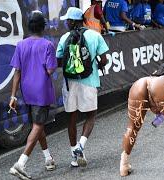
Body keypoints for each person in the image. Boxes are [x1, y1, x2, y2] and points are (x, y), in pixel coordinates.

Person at [56, 7, 109, 168]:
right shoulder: (95, 35)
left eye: (67, 20)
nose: (66, 22)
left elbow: (59, 62)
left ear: (73, 21)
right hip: (89, 81)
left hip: (69, 83)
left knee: (71, 118)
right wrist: (98, 64)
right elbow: (105, 59)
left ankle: (74, 155)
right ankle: (81, 145)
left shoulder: (64, 37)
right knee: (91, 116)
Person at [8, 10, 57, 179]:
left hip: (26, 91)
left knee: (38, 124)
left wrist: (13, 96)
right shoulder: (48, 45)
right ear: (43, 27)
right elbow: (50, 70)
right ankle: (20, 163)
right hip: (41, 90)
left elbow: (17, 72)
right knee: (38, 125)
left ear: (29, 27)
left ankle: (48, 158)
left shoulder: (21, 45)